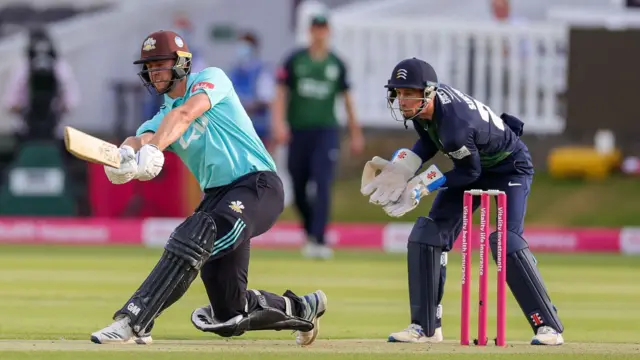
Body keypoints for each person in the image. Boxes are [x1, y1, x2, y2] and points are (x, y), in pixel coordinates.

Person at [90, 30, 327, 345]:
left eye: (160, 64)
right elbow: (142, 138)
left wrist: (156, 148)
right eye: (149, 66)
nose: (153, 72)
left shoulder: (211, 79)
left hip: (257, 185)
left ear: (182, 64)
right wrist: (123, 156)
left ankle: (135, 319)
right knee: (229, 312)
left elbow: (185, 114)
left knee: (195, 232)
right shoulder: (162, 115)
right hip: (218, 198)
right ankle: (302, 307)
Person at [361, 58, 564, 346]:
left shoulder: (455, 125)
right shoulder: (424, 110)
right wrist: (404, 168)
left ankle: (548, 326)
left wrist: (421, 186)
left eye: (409, 93)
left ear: (429, 92)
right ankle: (425, 327)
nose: (402, 100)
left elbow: (470, 172)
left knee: (506, 242)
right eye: (399, 92)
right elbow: (429, 141)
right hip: (472, 162)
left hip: (509, 167)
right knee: (428, 234)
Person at [272, 14, 364, 260]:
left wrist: (356, 133)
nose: (319, 34)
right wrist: (279, 124)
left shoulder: (337, 64)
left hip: (326, 131)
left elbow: (348, 100)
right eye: (315, 29)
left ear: (328, 32)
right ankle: (311, 231)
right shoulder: (295, 60)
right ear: (310, 31)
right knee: (298, 183)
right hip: (299, 130)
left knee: (322, 183)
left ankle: (320, 238)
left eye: (323, 29)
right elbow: (280, 94)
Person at [228, 31, 275, 151]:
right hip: (236, 130)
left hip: (258, 130)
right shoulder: (234, 71)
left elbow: (266, 99)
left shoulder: (262, 71)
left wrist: (248, 105)